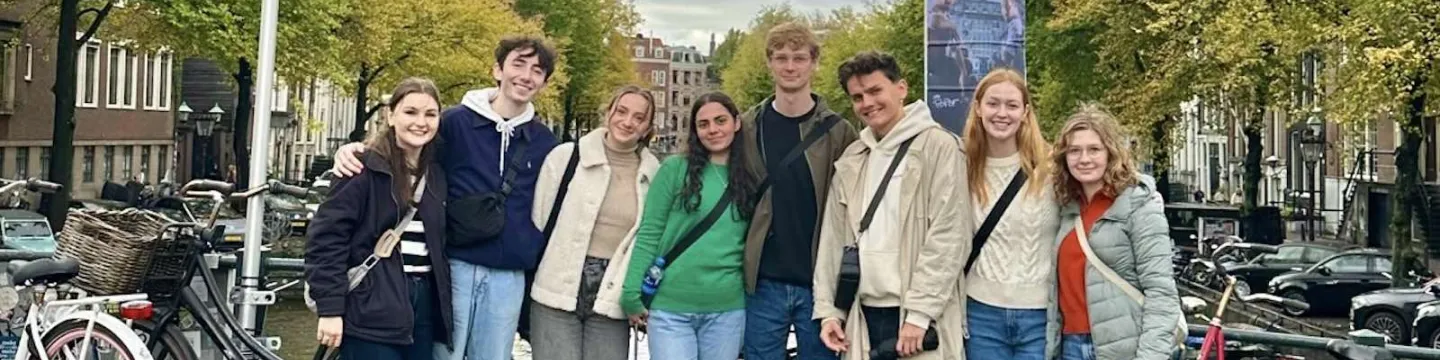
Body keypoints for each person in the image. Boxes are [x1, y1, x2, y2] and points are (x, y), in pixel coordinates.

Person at [331, 36, 560, 360]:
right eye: (518, 64)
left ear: (544, 82)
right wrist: (355, 150)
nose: (526, 76)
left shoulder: (545, 142)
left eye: (537, 70)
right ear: (497, 69)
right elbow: (406, 147)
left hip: (508, 273)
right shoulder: (453, 123)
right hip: (454, 265)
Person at [813, 51, 973, 359]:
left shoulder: (939, 146)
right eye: (858, 97)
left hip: (915, 317)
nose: (867, 103)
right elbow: (833, 241)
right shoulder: (853, 158)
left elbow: (951, 234)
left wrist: (920, 313)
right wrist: (830, 310)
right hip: (862, 314)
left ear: (901, 89)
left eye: (875, 91)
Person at [307, 77, 452, 360]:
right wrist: (331, 310)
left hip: (421, 311)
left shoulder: (436, 174)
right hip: (372, 306)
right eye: (410, 112)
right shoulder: (363, 167)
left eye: (430, 114)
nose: (420, 122)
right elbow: (327, 239)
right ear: (391, 114)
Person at [738, 22, 859, 360]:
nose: (790, 66)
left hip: (819, 283)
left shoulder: (839, 132)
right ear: (769, 63)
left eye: (799, 58)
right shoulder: (748, 126)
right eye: (781, 58)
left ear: (814, 63)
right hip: (763, 281)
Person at [621, 92, 762, 360]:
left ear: (737, 123)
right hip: (671, 308)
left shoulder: (750, 177)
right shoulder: (675, 170)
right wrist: (631, 291)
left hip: (726, 309)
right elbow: (650, 232)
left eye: (720, 120)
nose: (713, 130)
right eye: (704, 124)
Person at [528, 85, 661, 360]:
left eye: (638, 117)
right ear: (608, 113)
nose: (627, 121)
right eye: (621, 111)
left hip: (613, 290)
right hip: (559, 283)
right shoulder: (566, 157)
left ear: (648, 127)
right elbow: (540, 218)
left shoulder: (654, 174)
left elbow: (651, 237)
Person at [1046, 104, 1181, 360]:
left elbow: (1161, 292)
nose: (1084, 159)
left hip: (1124, 349)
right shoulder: (1066, 209)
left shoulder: (1138, 206)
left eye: (1094, 149)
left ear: (1111, 153)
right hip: (1070, 346)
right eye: (1074, 151)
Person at [960, 68, 1058, 360]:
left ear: (1025, 112)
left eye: (1012, 105)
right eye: (993, 103)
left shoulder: (1053, 169)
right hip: (981, 312)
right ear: (978, 108)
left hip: (1039, 315)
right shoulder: (961, 167)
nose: (1002, 113)